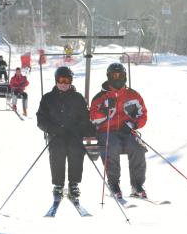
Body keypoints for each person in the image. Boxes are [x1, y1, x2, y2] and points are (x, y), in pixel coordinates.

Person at [90, 63, 148, 199]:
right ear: (109, 77)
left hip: (127, 131)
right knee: (112, 146)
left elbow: (143, 115)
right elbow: (92, 117)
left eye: (120, 75)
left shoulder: (133, 95)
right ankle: (114, 184)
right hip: (107, 131)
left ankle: (137, 185)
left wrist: (132, 125)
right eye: (114, 76)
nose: (117, 78)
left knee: (138, 148)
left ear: (125, 77)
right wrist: (105, 112)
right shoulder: (100, 97)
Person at [36, 66, 95, 200]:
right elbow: (41, 119)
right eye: (61, 80)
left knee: (76, 151)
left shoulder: (78, 98)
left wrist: (80, 130)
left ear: (71, 82)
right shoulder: (48, 98)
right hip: (56, 134)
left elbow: (85, 117)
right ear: (56, 80)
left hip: (74, 134)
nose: (63, 84)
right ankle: (58, 184)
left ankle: (73, 183)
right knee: (57, 152)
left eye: (67, 80)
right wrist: (52, 129)